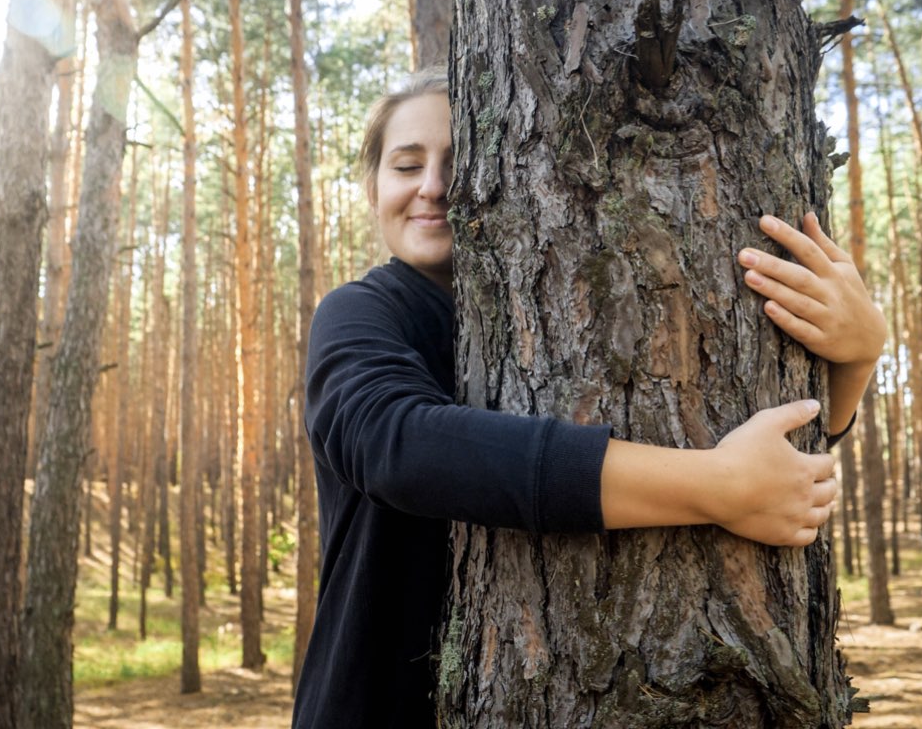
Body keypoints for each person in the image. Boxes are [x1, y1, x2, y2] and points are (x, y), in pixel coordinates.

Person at [290, 69, 885, 728]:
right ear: (372, 186)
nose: (432, 186)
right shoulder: (361, 313)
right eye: (406, 165)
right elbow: (394, 444)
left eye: (458, 163)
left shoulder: (539, 308)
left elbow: (779, 473)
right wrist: (713, 486)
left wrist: (855, 357)